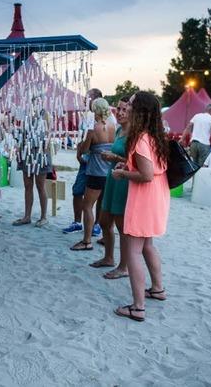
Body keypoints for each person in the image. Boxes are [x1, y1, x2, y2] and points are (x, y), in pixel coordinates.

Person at [112, 91, 170, 322]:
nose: (128, 106)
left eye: (132, 104)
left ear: (141, 111)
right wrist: (127, 164)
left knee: (133, 250)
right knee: (147, 245)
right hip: (157, 196)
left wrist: (122, 173)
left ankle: (138, 307)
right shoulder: (156, 136)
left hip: (144, 199)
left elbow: (145, 175)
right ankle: (157, 289)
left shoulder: (140, 138)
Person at [90, 97, 130, 279]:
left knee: (122, 227)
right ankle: (108, 257)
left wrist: (115, 158)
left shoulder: (134, 134)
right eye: (118, 109)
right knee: (105, 221)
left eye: (124, 109)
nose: (120, 113)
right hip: (111, 178)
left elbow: (136, 163)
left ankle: (124, 266)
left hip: (124, 181)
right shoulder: (119, 130)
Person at [71, 98, 114, 251]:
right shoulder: (113, 126)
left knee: (87, 205)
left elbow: (85, 149)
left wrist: (79, 146)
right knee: (103, 205)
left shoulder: (93, 129)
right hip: (109, 171)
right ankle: (103, 234)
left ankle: (87, 240)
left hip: (96, 170)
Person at [12, 99, 52, 228]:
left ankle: (43, 216)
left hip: (40, 153)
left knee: (40, 186)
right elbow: (22, 133)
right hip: (26, 153)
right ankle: (27, 216)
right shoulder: (26, 115)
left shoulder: (45, 115)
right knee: (28, 185)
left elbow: (47, 134)